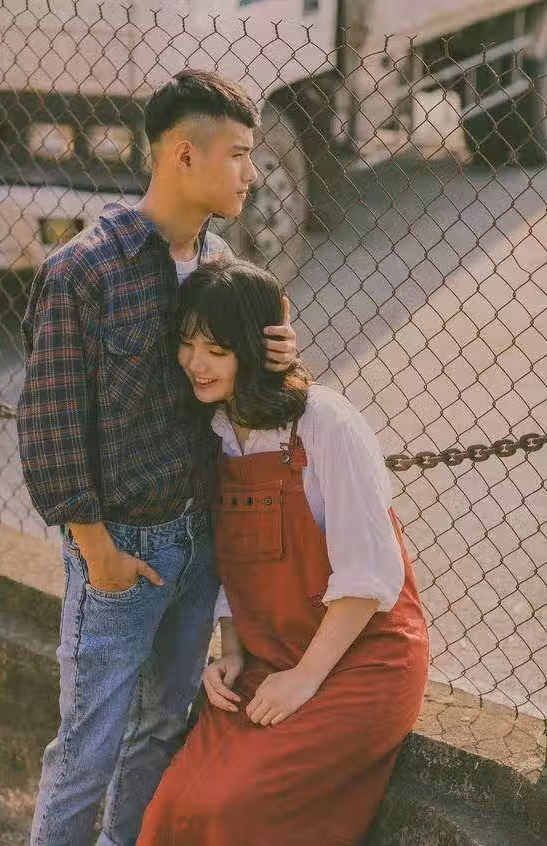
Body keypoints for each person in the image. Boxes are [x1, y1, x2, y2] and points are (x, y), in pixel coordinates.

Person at [16, 71, 296, 846]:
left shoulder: (220, 262)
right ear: (183, 155)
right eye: (237, 154)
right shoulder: (84, 271)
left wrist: (276, 355)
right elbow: (49, 428)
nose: (251, 173)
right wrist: (96, 549)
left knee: (162, 727)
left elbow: (244, 400)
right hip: (121, 552)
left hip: (199, 544)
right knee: (86, 750)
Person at [137, 259, 430, 846]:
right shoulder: (214, 429)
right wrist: (232, 652)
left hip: (360, 662)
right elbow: (235, 564)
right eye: (187, 345)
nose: (196, 363)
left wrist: (304, 679)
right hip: (269, 658)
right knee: (174, 806)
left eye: (217, 350)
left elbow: (371, 577)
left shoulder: (326, 423)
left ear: (254, 347)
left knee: (229, 811)